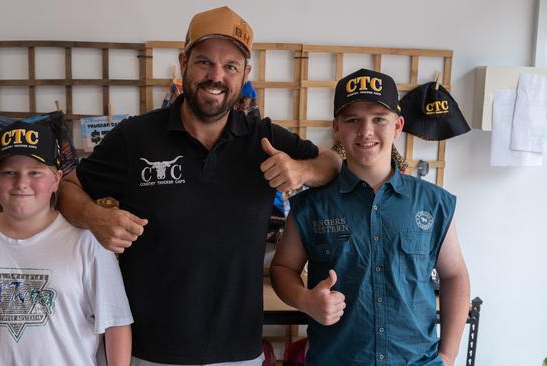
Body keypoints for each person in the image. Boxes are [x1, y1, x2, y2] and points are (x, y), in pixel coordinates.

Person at [57, 6, 341, 366]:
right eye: (205, 62)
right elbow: (68, 188)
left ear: (245, 74)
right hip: (147, 351)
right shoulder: (135, 137)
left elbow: (331, 163)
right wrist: (93, 216)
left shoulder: (263, 137)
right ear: (183, 62)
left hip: (239, 352)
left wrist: (300, 171)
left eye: (230, 67)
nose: (216, 76)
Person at [270, 68, 470, 366]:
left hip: (416, 361)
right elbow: (283, 268)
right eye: (353, 120)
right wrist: (304, 300)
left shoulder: (433, 202)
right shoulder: (309, 206)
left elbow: (454, 275)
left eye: (379, 119)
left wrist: (449, 356)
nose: (366, 131)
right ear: (336, 127)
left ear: (398, 126)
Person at [0, 121, 133, 366]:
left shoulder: (89, 244)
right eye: (9, 172)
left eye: (35, 172)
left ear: (57, 179)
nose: (21, 183)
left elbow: (115, 324)